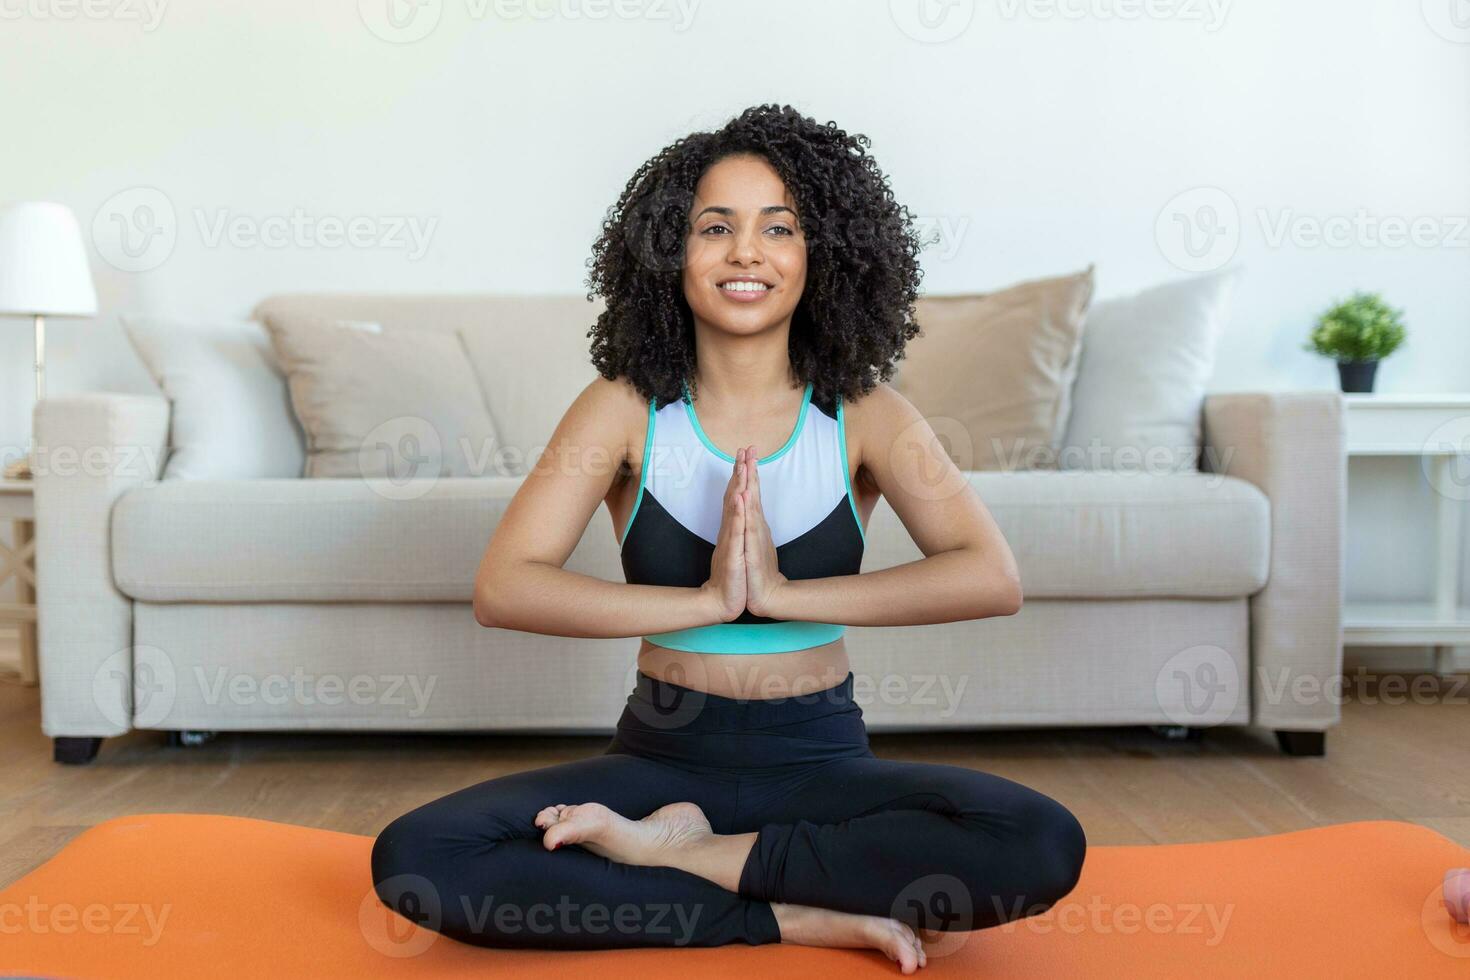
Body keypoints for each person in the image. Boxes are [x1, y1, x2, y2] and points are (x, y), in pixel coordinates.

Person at [371, 104, 1086, 973]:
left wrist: (782, 595)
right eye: (716, 227)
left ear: (820, 256)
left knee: (1040, 841)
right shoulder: (623, 407)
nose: (746, 251)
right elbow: (506, 586)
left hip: (821, 760)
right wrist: (706, 600)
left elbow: (990, 576)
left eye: (778, 227)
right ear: (671, 255)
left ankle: (682, 860)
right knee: (420, 859)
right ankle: (793, 912)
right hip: (663, 756)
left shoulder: (864, 414)